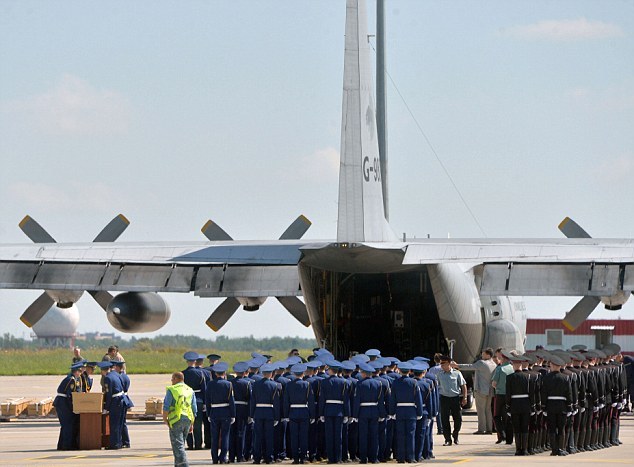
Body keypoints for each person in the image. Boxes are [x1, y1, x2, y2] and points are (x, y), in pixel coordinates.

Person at [452, 348, 496, 434]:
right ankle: (489, 428)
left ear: (488, 354)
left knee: (481, 410)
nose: (481, 355)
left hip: (480, 390)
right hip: (490, 390)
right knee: (488, 410)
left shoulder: (481, 363)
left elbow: (469, 366)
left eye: (483, 353)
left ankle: (481, 429)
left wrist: (457, 365)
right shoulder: (493, 363)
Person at [389, 361, 423, 462]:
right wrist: (419, 412)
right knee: (410, 435)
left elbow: (392, 399)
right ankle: (410, 457)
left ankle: (401, 458)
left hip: (399, 410)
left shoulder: (395, 382)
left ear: (399, 370)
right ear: (409, 371)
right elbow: (418, 399)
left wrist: (392, 412)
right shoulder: (414, 382)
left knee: (400, 435)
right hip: (411, 411)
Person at [353, 362, 385, 464]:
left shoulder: (359, 384)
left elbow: (357, 400)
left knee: (363, 436)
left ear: (363, 373)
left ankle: (363, 458)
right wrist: (382, 414)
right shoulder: (378, 384)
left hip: (363, 411)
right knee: (374, 436)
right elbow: (380, 401)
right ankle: (374, 458)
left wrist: (355, 414)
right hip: (375, 411)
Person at [540, 354, 573, 456]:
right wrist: (569, 407)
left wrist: (544, 407)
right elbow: (569, 394)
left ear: (553, 366)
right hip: (562, 406)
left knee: (552, 429)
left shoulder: (546, 378)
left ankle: (554, 450)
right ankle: (561, 449)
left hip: (550, 406)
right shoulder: (566, 378)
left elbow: (543, 393)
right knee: (561, 428)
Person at [283, 363, 315, 464]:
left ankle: (295, 458)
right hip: (304, 412)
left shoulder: (289, 385)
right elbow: (310, 401)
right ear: (303, 373)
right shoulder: (307, 384)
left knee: (294, 436)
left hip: (292, 412)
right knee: (304, 436)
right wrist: (312, 415)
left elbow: (286, 401)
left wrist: (286, 414)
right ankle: (303, 457)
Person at [163, 371, 197, 467]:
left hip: (176, 419)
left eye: (173, 378)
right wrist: (192, 423)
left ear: (177, 379)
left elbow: (166, 406)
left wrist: (165, 419)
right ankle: (178, 464)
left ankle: (183, 464)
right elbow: (194, 408)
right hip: (188, 419)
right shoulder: (190, 390)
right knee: (180, 443)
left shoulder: (172, 389)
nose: (171, 381)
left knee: (178, 445)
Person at [318, 359, 349, 464]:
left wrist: (321, 413)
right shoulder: (344, 382)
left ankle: (331, 459)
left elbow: (322, 399)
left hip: (328, 410)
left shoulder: (324, 382)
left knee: (329, 435)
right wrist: (347, 413)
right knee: (338, 436)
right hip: (339, 411)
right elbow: (346, 400)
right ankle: (338, 458)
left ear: (330, 370)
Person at [250, 363, 281, 464]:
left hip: (258, 412)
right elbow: (276, 402)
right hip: (269, 412)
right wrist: (277, 417)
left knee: (258, 437)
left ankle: (257, 458)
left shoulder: (256, 384)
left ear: (263, 373)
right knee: (269, 436)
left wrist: (252, 414)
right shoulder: (274, 385)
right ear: (271, 374)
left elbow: (252, 401)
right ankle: (269, 458)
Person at [205, 361, 236, 464]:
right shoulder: (228, 384)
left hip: (214, 412)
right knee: (225, 436)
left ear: (215, 373)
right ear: (224, 373)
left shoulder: (210, 384)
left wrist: (208, 413)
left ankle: (214, 458)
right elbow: (231, 401)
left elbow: (208, 400)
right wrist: (233, 414)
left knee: (214, 437)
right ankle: (223, 458)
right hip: (225, 412)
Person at [504, 352, 532, 455]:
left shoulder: (509, 377)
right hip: (525, 404)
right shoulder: (527, 376)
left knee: (517, 428)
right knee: (524, 427)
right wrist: (532, 405)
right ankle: (524, 449)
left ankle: (518, 450)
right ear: (521, 364)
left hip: (514, 404)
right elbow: (531, 393)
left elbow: (508, 394)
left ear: (513, 365)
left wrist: (508, 406)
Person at [436, 355, 467, 446]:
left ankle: (455, 434)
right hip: (444, 398)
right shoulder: (439, 375)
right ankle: (447, 439)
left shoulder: (457, 373)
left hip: (455, 398)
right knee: (444, 419)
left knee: (458, 419)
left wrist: (464, 397)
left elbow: (463, 385)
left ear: (449, 364)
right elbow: (437, 386)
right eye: (441, 364)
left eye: (443, 364)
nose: (442, 366)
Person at [53, 362, 83, 450]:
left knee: (66, 425)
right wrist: (73, 407)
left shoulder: (72, 379)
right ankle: (67, 445)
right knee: (67, 425)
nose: (80, 373)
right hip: (63, 403)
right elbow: (70, 395)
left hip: (63, 402)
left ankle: (62, 445)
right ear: (76, 372)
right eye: (80, 371)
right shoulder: (72, 380)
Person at [182, 351, 207, 450]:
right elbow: (204, 389)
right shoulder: (200, 373)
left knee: (188, 423)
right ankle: (198, 444)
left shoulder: (183, 374)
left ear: (187, 361)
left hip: (186, 400)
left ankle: (190, 444)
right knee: (197, 423)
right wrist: (205, 402)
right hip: (198, 399)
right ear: (195, 361)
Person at [99, 361, 125, 450]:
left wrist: (106, 408)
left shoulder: (107, 378)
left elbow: (109, 394)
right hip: (122, 399)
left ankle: (114, 444)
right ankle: (119, 442)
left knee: (113, 423)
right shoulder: (116, 374)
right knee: (119, 423)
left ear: (103, 370)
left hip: (115, 401)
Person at [229, 361, 252, 463]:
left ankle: (231, 456)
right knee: (241, 433)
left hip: (232, 409)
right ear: (245, 372)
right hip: (243, 409)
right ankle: (240, 455)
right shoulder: (247, 383)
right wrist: (250, 414)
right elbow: (250, 399)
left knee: (231, 433)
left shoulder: (230, 382)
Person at [491, 349, 514, 445]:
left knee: (496, 416)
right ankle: (509, 438)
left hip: (500, 395)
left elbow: (494, 383)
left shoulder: (499, 369)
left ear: (503, 358)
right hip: (510, 395)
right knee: (508, 417)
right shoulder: (512, 368)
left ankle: (502, 433)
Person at [112, 360, 133, 448]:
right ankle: (126, 441)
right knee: (123, 422)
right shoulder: (125, 377)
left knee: (120, 423)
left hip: (120, 399)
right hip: (125, 399)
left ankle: (123, 441)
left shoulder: (119, 377)